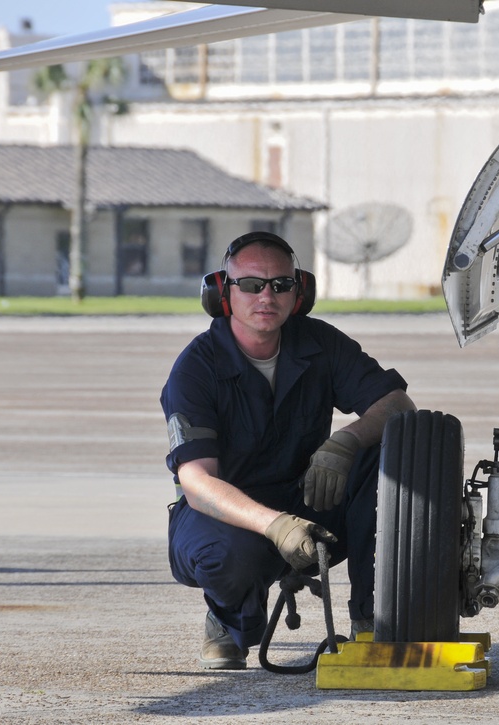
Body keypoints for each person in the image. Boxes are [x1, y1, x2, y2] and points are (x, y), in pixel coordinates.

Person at [161, 231, 416, 670]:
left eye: (280, 284)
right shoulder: (196, 368)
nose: (267, 296)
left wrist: (346, 441)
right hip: (227, 516)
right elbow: (197, 482)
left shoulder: (320, 343)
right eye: (251, 285)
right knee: (226, 555)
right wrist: (276, 525)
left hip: (312, 497)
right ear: (222, 292)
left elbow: (398, 406)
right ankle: (229, 619)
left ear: (300, 292)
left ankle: (373, 620)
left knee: (395, 454)